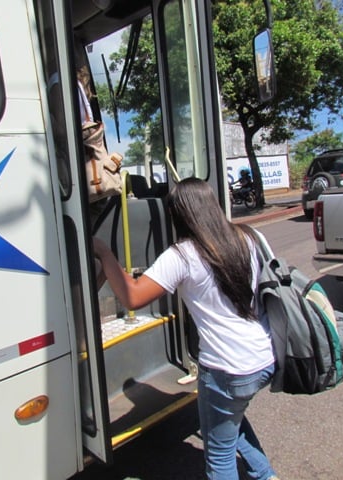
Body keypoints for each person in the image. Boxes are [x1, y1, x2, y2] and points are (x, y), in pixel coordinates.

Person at [93, 178, 279, 480]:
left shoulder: (183, 254)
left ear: (179, 215)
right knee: (232, 420)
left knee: (219, 455)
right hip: (264, 358)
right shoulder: (250, 236)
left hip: (226, 370)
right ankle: (266, 475)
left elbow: (133, 297)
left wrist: (105, 254)